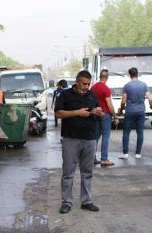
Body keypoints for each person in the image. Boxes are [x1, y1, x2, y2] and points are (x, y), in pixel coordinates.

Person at [54, 70, 104, 214]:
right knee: (68, 173)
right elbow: (58, 113)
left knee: (87, 172)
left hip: (89, 139)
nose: (86, 86)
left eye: (89, 84)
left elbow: (101, 114)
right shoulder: (65, 95)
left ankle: (86, 201)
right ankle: (66, 202)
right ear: (77, 82)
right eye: (84, 84)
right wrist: (78, 113)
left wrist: (98, 113)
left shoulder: (92, 95)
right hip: (71, 138)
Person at [118, 67, 152, 160]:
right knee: (140, 132)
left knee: (126, 132)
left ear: (130, 75)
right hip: (141, 111)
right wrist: (151, 106)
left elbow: (123, 101)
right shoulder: (143, 85)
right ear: (137, 74)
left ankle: (125, 154)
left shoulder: (127, 86)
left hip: (130, 111)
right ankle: (138, 153)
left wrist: (122, 109)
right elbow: (150, 98)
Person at [91, 69, 120, 166]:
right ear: (107, 78)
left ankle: (92, 158)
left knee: (95, 137)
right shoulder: (106, 88)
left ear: (100, 76)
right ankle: (104, 159)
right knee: (106, 137)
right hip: (105, 114)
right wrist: (115, 116)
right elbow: (109, 104)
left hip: (95, 114)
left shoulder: (93, 87)